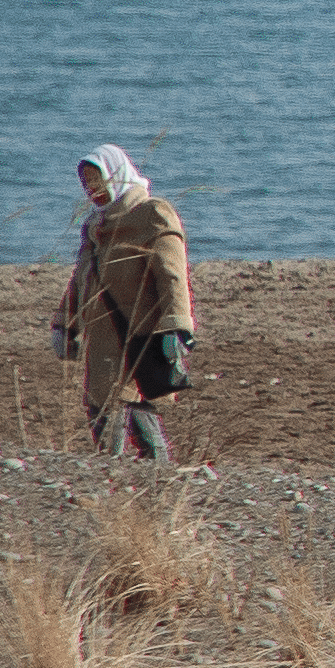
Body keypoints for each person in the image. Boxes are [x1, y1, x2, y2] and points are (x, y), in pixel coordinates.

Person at [55, 146, 199, 459]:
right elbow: (81, 279)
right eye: (87, 182)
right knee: (101, 409)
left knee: (135, 407)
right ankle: (117, 480)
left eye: (98, 180)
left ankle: (151, 481)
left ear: (115, 175)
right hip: (102, 344)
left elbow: (172, 276)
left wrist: (177, 327)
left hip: (137, 337)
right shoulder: (95, 227)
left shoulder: (152, 214)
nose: (92, 189)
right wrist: (65, 324)